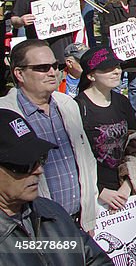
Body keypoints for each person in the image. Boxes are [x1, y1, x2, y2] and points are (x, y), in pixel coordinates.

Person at [0, 39, 99, 231]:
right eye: (43, 68)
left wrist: (89, 217)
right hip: (33, 227)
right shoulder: (5, 114)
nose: (53, 72)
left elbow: (87, 161)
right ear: (19, 73)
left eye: (55, 65)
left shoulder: (68, 105)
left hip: (78, 223)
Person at [0, 108, 113, 265]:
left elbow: (94, 260)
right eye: (24, 164)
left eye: (40, 158)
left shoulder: (51, 212)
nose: (39, 170)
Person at [75, 46, 136, 212]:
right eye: (107, 68)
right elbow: (74, 158)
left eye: (117, 66)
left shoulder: (122, 102)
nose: (116, 71)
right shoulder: (77, 107)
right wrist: (100, 191)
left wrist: (128, 183)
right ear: (90, 75)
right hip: (94, 195)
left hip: (126, 190)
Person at [99, 0, 136, 119]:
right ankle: (118, 114)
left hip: (134, 55)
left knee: (134, 87)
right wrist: (125, 24)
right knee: (117, 87)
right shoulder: (110, 7)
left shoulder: (134, 6)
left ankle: (135, 116)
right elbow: (105, 29)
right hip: (118, 54)